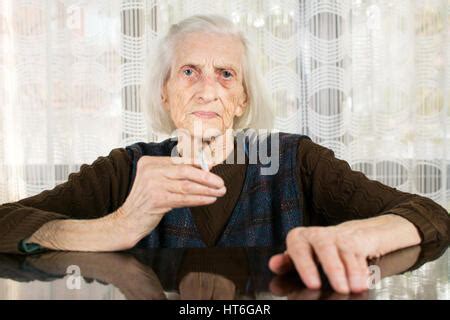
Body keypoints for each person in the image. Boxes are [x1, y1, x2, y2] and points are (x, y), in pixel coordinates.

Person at [0, 15, 449, 295]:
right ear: (165, 91)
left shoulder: (296, 160)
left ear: (243, 99)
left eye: (226, 74)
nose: (208, 88)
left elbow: (429, 214)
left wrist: (356, 237)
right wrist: (116, 226)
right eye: (189, 71)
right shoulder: (125, 169)